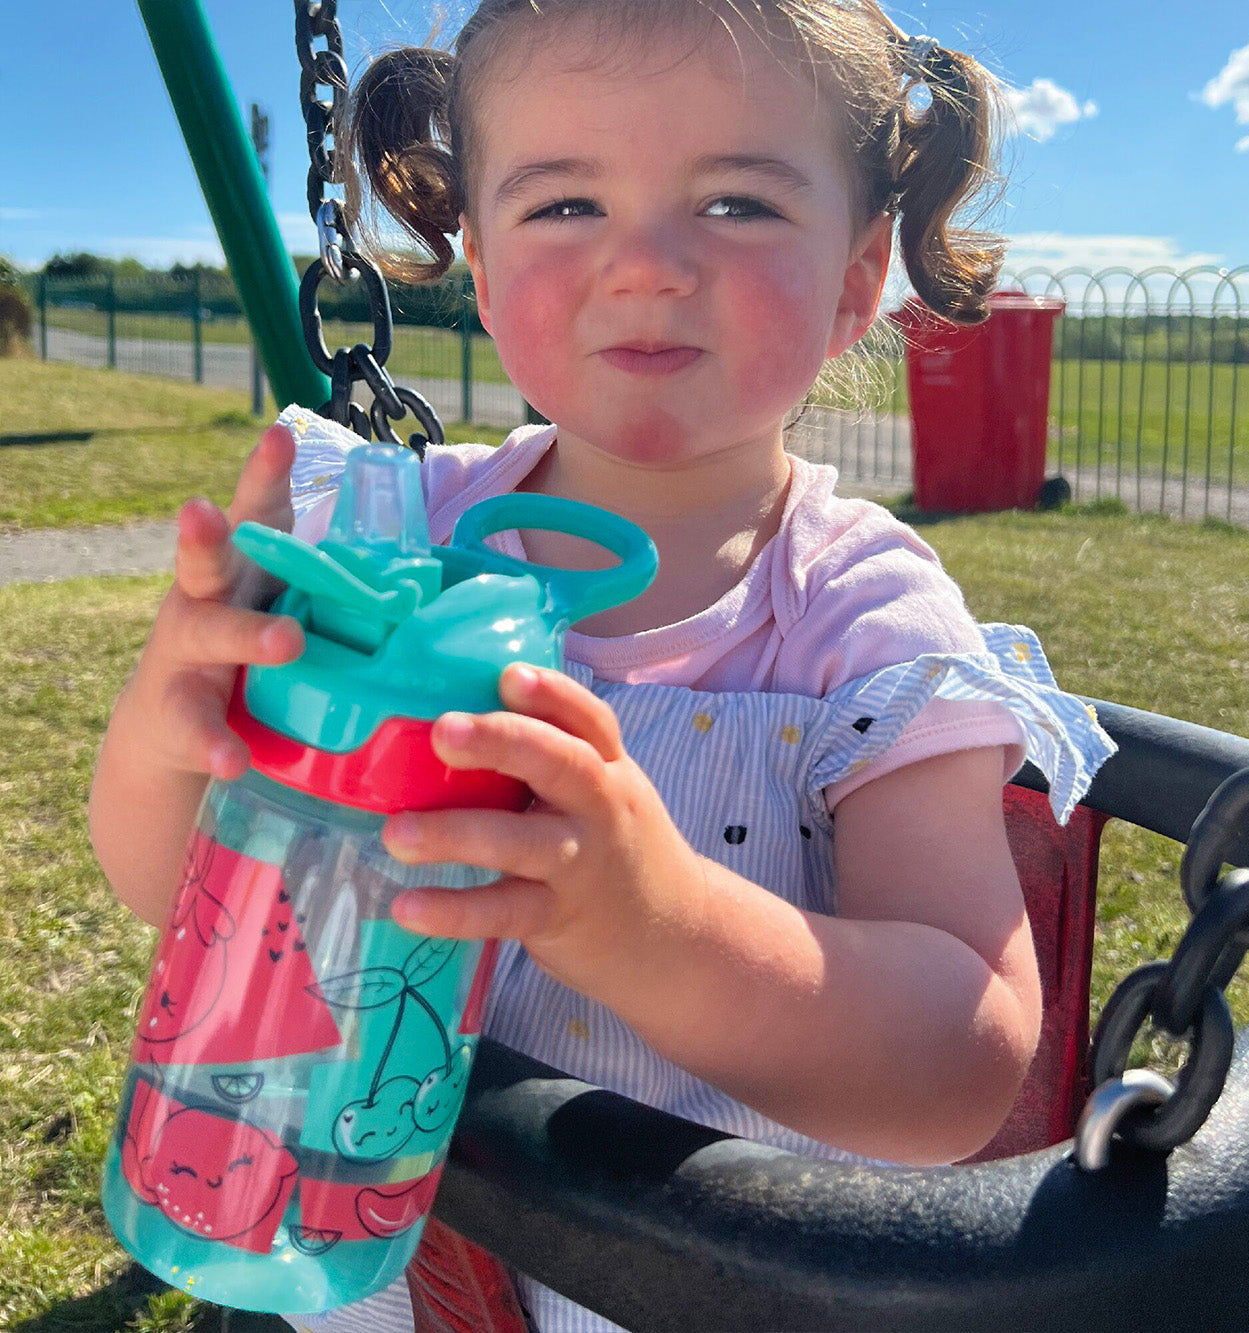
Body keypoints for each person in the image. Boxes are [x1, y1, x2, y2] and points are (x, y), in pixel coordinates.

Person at [89, 0, 1115, 1328]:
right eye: (565, 203)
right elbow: (174, 888)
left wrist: (656, 928)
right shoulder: (386, 541)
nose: (644, 267)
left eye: (736, 204)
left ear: (857, 279)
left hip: (693, 1288)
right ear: (477, 257)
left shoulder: (859, 616)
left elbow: (961, 1065)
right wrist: (172, 731)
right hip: (361, 1265)